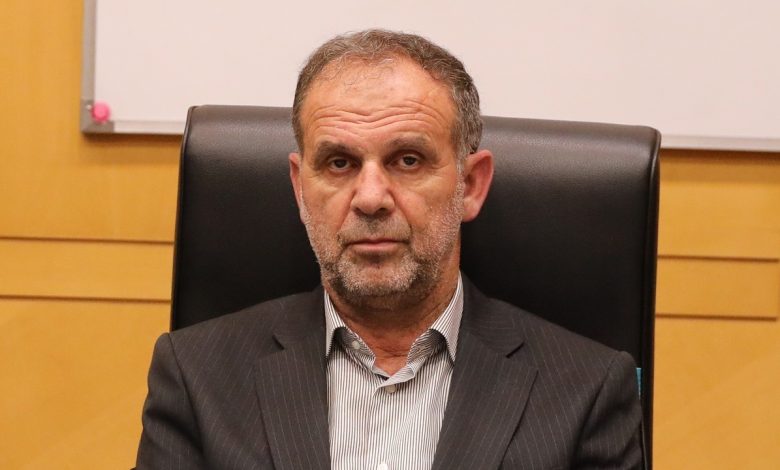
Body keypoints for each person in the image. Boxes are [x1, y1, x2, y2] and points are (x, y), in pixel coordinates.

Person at [136, 29, 642, 469]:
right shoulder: (196, 376)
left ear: (470, 184)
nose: (371, 198)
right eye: (339, 163)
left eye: (407, 160)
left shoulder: (588, 391)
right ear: (300, 189)